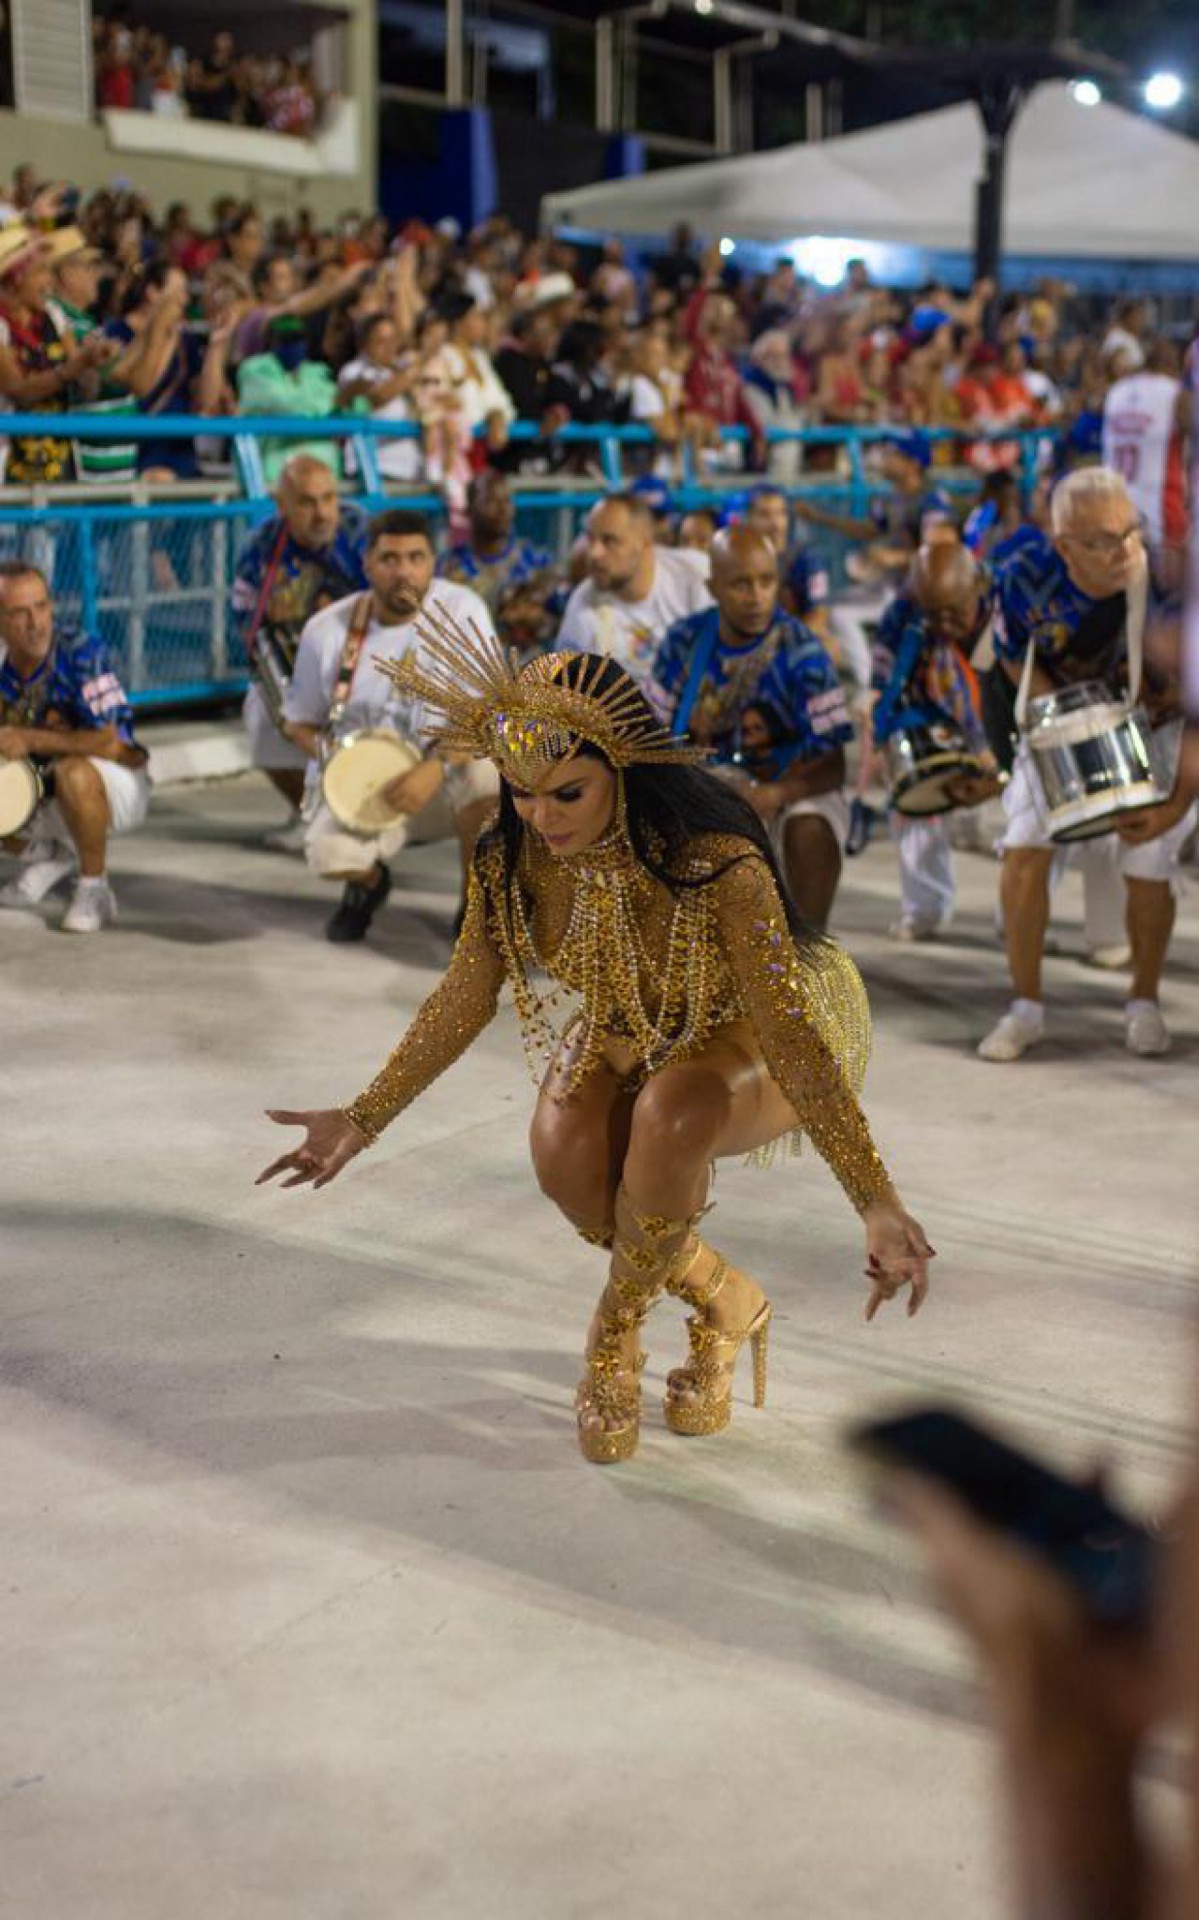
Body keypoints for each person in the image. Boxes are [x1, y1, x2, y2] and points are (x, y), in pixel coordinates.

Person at [258, 634, 934, 1465]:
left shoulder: (715, 863)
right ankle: (728, 1301)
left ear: (623, 763)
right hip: (632, 1013)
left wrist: (874, 1199)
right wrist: (364, 1117)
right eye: (520, 794)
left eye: (566, 792)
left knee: (672, 1112)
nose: (541, 818)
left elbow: (790, 1033)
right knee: (564, 1156)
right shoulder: (511, 858)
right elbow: (468, 993)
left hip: (763, 1023)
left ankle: (611, 1341)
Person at [980, 468, 1198, 1062]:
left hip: (1159, 724)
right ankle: (1025, 1007)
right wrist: (1062, 718)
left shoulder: (1174, 585)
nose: (1125, 549)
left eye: (1132, 531)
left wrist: (1173, 805)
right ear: (1062, 545)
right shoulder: (1021, 578)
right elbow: (1008, 662)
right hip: (1063, 718)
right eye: (1103, 540)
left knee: (1150, 855)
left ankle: (1144, 1002)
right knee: (1024, 845)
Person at [282, 510, 499, 944]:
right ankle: (369, 883)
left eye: (416, 558)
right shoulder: (327, 631)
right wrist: (340, 766)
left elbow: (487, 710)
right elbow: (297, 724)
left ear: (433, 563)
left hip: (443, 777)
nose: (404, 571)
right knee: (327, 854)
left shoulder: (462, 610)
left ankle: (476, 907)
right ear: (367, 564)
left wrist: (434, 768)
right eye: (390, 559)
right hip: (370, 786)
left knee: (488, 776)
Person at [649, 526, 853, 929]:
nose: (757, 596)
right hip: (703, 786)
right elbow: (650, 741)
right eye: (741, 584)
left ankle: (807, 954)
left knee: (810, 830)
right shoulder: (683, 643)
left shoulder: (803, 650)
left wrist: (775, 794)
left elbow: (834, 765)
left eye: (767, 581)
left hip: (789, 787)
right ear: (713, 587)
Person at [0, 560, 149, 932]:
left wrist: (31, 738)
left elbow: (111, 743)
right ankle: (48, 854)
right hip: (42, 784)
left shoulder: (82, 653)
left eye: (41, 606)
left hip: (114, 781)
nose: (35, 623)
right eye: (20, 613)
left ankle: (94, 887)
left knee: (74, 771)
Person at [231, 454, 368, 847]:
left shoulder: (361, 531)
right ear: (282, 505)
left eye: (328, 499)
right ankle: (307, 811)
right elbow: (243, 621)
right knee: (259, 714)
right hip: (296, 666)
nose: (323, 513)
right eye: (307, 502)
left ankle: (365, 810)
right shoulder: (260, 546)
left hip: (367, 665)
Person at [872, 543, 1001, 940]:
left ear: (977, 585)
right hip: (929, 720)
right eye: (933, 612)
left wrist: (997, 768)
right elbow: (882, 678)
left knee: (1029, 824)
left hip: (1001, 723)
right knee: (913, 808)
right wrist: (878, 729)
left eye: (953, 609)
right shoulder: (902, 613)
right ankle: (924, 909)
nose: (943, 622)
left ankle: (1021, 917)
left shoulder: (1009, 606)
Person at [556, 492, 711, 687]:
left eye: (609, 541)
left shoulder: (696, 575)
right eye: (591, 539)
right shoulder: (584, 604)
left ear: (645, 543)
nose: (594, 553)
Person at [436, 469, 556, 658]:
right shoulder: (448, 568)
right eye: (490, 501)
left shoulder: (536, 563)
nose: (501, 509)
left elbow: (558, 623)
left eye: (506, 500)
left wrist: (538, 619)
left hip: (530, 672)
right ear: (468, 510)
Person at [1102, 339, 1189, 592]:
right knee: (1169, 612)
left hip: (1114, 513)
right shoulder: (1175, 394)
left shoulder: (1116, 392)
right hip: (1161, 518)